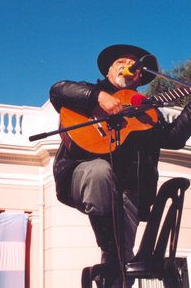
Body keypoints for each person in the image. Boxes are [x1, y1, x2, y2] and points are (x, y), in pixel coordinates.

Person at [49, 44, 191, 287]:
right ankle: (111, 253)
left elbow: (174, 138)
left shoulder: (147, 111)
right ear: (109, 71)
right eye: (121, 63)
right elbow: (58, 89)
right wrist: (98, 97)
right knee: (99, 171)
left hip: (128, 194)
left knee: (120, 263)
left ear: (139, 77)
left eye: (134, 67)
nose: (128, 68)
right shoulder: (90, 91)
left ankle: (113, 265)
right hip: (82, 174)